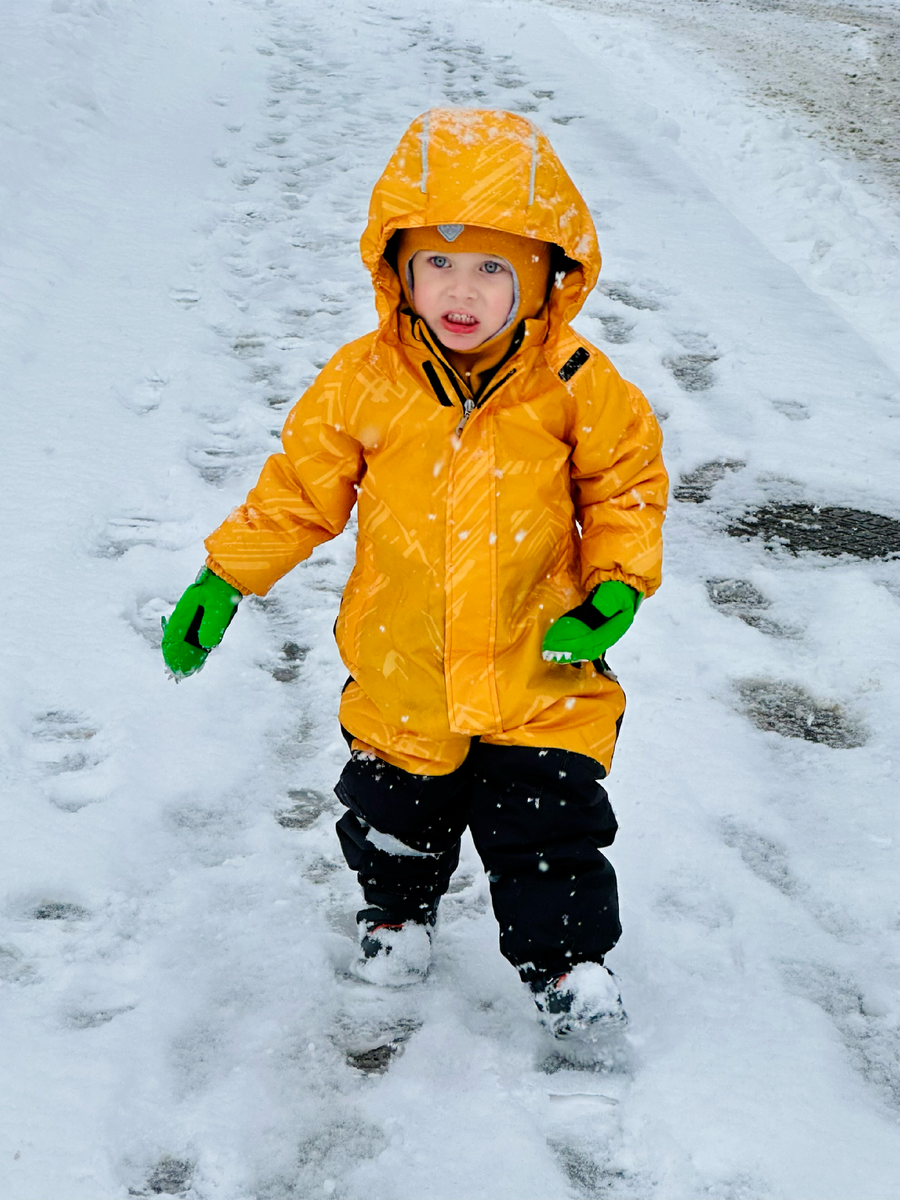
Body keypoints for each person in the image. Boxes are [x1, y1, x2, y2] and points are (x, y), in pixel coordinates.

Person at [161, 108, 667, 1053]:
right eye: (436, 264)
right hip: (405, 664)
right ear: (396, 267)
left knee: (548, 828)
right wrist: (225, 577)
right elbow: (299, 491)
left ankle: (568, 967)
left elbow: (627, 488)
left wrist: (618, 587)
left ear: (546, 275)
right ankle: (397, 915)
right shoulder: (364, 381)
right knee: (395, 813)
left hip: (539, 660)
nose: (461, 293)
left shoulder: (578, 383)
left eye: (491, 268)